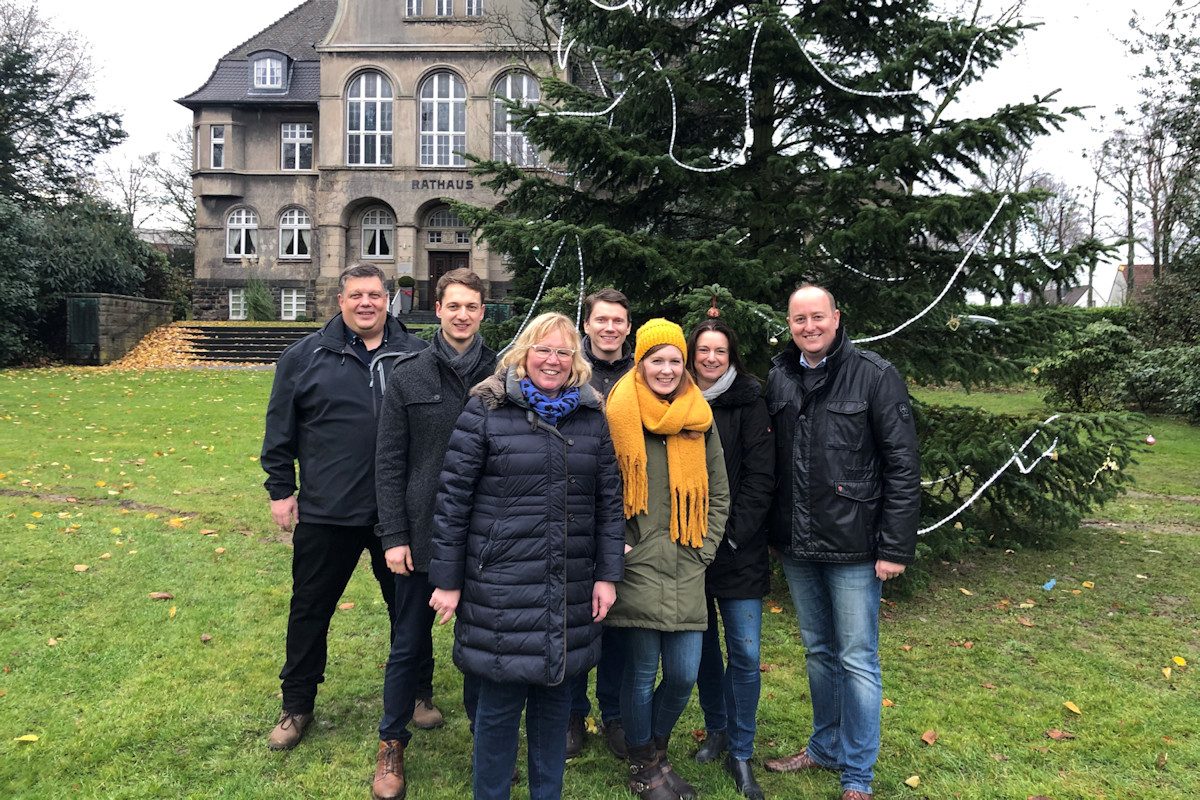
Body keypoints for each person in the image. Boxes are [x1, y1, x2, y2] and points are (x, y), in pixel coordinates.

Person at [427, 312, 626, 800]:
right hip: (501, 586)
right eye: (543, 350)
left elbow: (609, 503)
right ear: (523, 354)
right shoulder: (487, 409)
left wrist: (608, 575)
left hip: (569, 583)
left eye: (563, 352)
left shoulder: (590, 416)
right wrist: (448, 580)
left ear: (575, 360)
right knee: (497, 712)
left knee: (553, 710)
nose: (552, 361)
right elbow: (452, 500)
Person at [260, 263, 428, 751]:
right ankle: (297, 703)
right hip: (327, 510)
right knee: (310, 609)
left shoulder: (416, 355)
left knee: (408, 611)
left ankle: (419, 691)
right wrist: (280, 489)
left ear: (387, 300)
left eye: (375, 295)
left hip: (397, 514)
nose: (366, 303)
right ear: (340, 301)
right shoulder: (304, 356)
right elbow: (280, 427)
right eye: (356, 295)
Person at [762, 285, 920, 800]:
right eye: (799, 319)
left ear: (836, 317)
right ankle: (824, 746)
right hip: (798, 545)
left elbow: (902, 466)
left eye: (817, 317)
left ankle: (857, 775)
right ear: (789, 324)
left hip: (854, 545)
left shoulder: (874, 375)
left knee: (857, 658)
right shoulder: (780, 375)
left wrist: (894, 548)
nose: (809, 327)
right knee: (818, 652)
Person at [371, 268, 496, 800]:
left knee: (482, 649)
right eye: (454, 306)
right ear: (438, 309)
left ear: (482, 312)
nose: (462, 315)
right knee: (408, 643)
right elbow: (389, 461)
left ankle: (487, 745)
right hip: (421, 533)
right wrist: (394, 534)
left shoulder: (504, 373)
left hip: (487, 536)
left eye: (472, 306)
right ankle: (391, 743)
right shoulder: (409, 374)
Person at [604, 318, 730, 800]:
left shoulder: (699, 417)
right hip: (637, 565)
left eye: (675, 360)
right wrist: (617, 545)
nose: (666, 369)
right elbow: (599, 488)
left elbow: (719, 492)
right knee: (640, 673)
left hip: (687, 563)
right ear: (640, 362)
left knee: (682, 675)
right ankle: (646, 765)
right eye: (657, 359)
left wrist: (705, 550)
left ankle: (653, 750)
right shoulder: (618, 412)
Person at [685, 319, 774, 800]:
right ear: (692, 353)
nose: (711, 358)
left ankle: (741, 750)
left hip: (739, 548)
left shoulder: (749, 401)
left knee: (745, 652)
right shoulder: (678, 398)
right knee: (702, 648)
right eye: (704, 350)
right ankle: (716, 727)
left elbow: (761, 477)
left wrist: (731, 537)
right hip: (689, 549)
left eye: (720, 351)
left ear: (731, 356)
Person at [568, 287, 635, 758]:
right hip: (574, 510)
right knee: (575, 618)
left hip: (629, 515)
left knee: (619, 626)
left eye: (618, 321)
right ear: (587, 324)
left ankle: (614, 714)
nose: (609, 328)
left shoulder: (642, 373)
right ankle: (572, 713)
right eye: (601, 320)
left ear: (628, 327)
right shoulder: (570, 372)